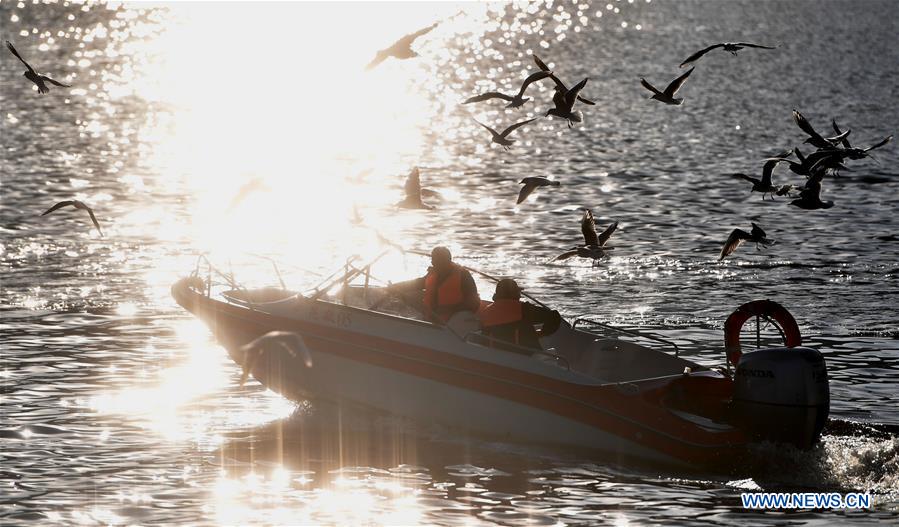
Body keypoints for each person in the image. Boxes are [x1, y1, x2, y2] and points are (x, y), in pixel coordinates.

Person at [388, 246, 480, 323]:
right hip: (431, 322)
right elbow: (417, 284)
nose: (433, 263)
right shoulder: (433, 274)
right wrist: (395, 287)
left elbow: (474, 303)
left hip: (452, 327)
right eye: (433, 260)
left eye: (438, 261)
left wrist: (451, 309)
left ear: (448, 260)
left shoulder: (463, 276)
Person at [478, 278, 562, 351]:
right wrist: (542, 333)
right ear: (514, 293)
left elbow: (483, 337)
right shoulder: (524, 309)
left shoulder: (486, 311)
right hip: (524, 355)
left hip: (495, 356)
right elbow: (554, 316)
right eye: (518, 292)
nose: (520, 295)